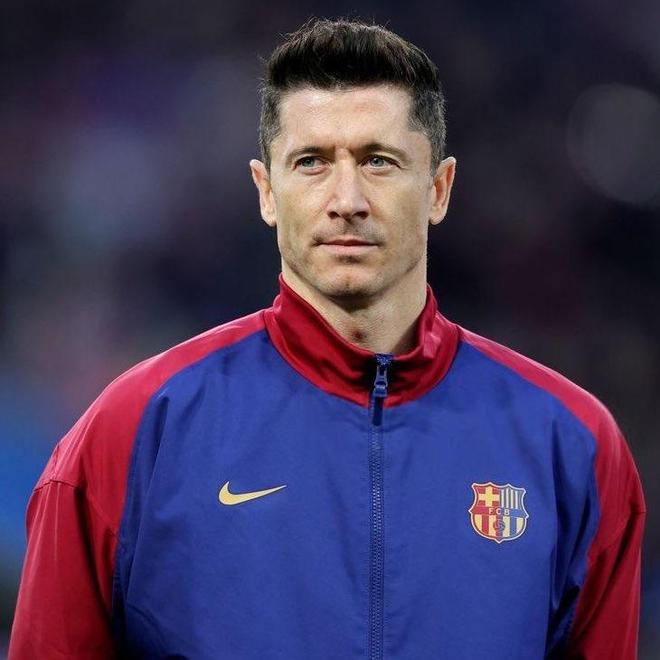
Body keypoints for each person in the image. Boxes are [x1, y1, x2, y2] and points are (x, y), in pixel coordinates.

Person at [10, 18, 645, 660]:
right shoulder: (133, 432)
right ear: (267, 192)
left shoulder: (571, 446)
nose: (347, 199)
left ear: (438, 189)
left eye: (378, 161)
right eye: (311, 162)